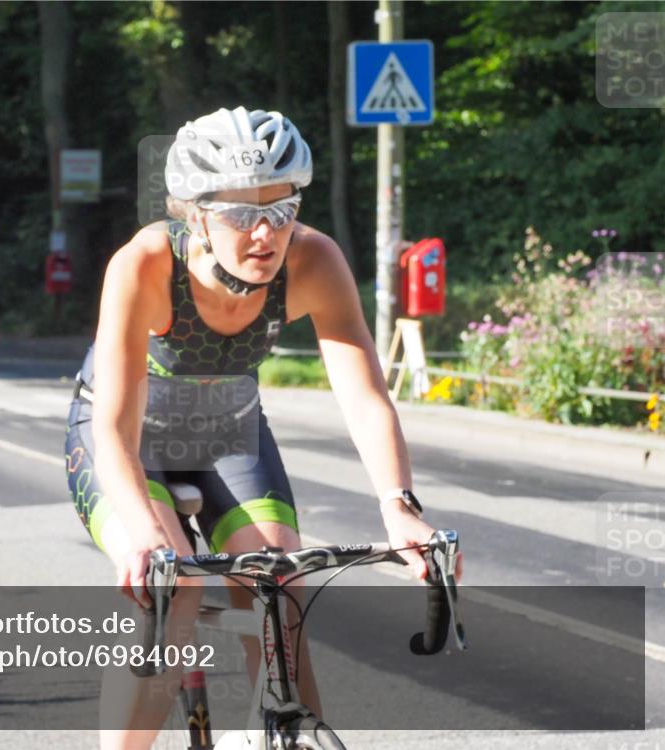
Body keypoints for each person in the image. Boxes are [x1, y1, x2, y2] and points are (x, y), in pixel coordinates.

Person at [65, 106, 459, 749]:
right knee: (176, 592)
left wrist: (400, 507)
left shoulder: (314, 261)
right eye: (241, 214)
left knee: (281, 585)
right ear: (194, 213)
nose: (265, 233)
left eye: (282, 210)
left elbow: (363, 393)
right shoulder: (142, 264)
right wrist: (143, 538)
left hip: (225, 426)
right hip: (125, 433)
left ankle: (280, 732)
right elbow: (112, 427)